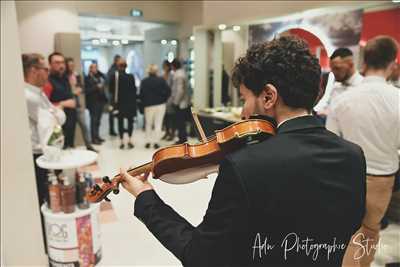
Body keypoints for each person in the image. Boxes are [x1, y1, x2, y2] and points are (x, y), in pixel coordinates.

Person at [119, 36, 366, 266]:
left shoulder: (245, 165)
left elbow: (200, 256)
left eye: (244, 98)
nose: (242, 113)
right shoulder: (353, 156)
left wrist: (146, 198)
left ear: (268, 96)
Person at [326, 36, 399, 267]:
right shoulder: (398, 99)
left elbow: (331, 142)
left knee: (348, 231)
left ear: (363, 61)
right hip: (383, 177)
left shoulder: (343, 100)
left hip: (348, 174)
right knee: (370, 230)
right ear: (392, 64)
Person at [23, 53, 66, 252]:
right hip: (37, 155)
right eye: (45, 68)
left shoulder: (38, 93)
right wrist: (56, 113)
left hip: (47, 152)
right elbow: (56, 117)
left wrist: (56, 113)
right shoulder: (28, 96)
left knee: (52, 197)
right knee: (47, 200)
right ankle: (48, 247)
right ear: (33, 70)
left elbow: (60, 116)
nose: (48, 72)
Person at [43, 52, 77, 149]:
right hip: (57, 125)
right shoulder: (47, 81)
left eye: (62, 62)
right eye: (57, 63)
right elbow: (44, 106)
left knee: (69, 147)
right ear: (50, 65)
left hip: (70, 120)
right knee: (59, 151)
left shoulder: (65, 78)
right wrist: (62, 103)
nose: (61, 65)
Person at [319, 48, 363, 115]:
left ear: (350, 65)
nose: (333, 72)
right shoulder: (336, 87)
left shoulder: (363, 86)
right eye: (332, 69)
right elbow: (327, 107)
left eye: (337, 68)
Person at [65, 57, 97, 152]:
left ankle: (89, 145)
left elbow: (81, 87)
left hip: (77, 104)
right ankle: (70, 147)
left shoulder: (76, 75)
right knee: (70, 129)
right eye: (69, 65)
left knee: (84, 126)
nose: (71, 67)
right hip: (68, 105)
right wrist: (72, 91)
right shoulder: (64, 77)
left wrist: (78, 89)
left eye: (72, 65)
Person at [140, 64, 171, 149]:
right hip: (160, 105)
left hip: (149, 105)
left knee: (148, 124)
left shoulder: (144, 81)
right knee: (158, 124)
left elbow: (141, 95)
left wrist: (143, 104)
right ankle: (156, 142)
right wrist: (164, 99)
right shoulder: (161, 80)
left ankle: (148, 142)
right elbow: (168, 91)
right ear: (156, 71)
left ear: (148, 72)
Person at [109, 58, 137, 149]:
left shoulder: (115, 76)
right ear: (126, 66)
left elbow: (111, 90)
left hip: (119, 103)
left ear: (118, 66)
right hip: (130, 103)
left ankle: (121, 141)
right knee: (130, 122)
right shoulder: (131, 76)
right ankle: (129, 140)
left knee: (120, 122)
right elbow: (134, 90)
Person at [85, 63, 108, 145]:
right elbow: (86, 91)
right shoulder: (87, 78)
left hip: (100, 102)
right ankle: (93, 138)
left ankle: (97, 136)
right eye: (94, 68)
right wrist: (96, 87)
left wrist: (99, 72)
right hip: (93, 103)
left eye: (97, 68)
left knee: (98, 121)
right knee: (93, 121)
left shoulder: (98, 77)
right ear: (90, 69)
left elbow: (106, 77)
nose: (96, 69)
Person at [171, 58, 190, 144]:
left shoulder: (178, 75)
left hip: (181, 103)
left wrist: (175, 102)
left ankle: (182, 140)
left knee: (180, 122)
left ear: (173, 66)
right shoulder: (182, 73)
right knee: (181, 122)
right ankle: (182, 138)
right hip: (184, 102)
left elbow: (180, 90)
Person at [106, 54, 121, 136]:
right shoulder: (112, 70)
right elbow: (110, 83)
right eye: (119, 60)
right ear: (116, 61)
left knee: (116, 112)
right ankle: (111, 130)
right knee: (112, 113)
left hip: (116, 95)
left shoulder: (117, 69)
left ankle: (117, 129)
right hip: (112, 95)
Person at [162, 60, 175, 141]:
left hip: (170, 98)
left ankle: (172, 133)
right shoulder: (163, 74)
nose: (163, 67)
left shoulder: (172, 75)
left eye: (164, 65)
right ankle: (166, 132)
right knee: (165, 117)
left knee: (171, 117)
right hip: (164, 98)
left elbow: (172, 87)